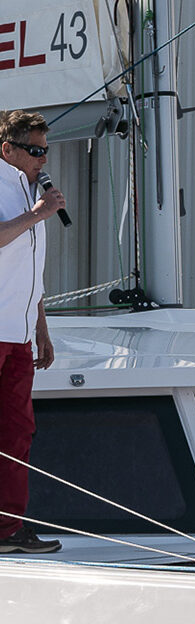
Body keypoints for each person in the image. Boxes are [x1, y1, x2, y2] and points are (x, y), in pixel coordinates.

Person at [0, 110, 66, 553]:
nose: (43, 160)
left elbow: (30, 272)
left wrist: (41, 328)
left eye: (46, 151)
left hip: (19, 334)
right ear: (7, 149)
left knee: (17, 432)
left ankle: (7, 530)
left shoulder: (29, 191)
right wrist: (37, 215)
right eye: (35, 151)